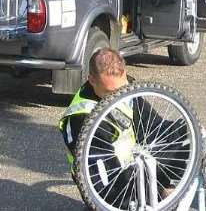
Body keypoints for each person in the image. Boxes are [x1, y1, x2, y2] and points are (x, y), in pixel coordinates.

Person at [59, 48, 187, 207]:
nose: (119, 96)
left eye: (122, 88)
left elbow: (154, 127)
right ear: (91, 80)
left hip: (135, 163)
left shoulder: (125, 90)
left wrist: (189, 133)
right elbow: (105, 182)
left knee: (186, 136)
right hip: (109, 179)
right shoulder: (82, 118)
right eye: (111, 92)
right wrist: (159, 192)